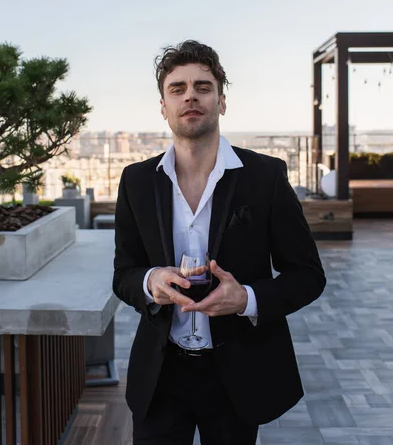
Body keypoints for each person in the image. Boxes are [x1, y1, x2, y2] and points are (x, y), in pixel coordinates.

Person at [113, 40, 326, 445]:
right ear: (163, 106)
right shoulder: (136, 181)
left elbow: (308, 276)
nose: (190, 95)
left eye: (202, 86)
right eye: (177, 89)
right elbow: (124, 274)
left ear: (221, 101)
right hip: (161, 375)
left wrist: (245, 299)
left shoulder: (265, 177)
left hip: (238, 375)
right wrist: (151, 280)